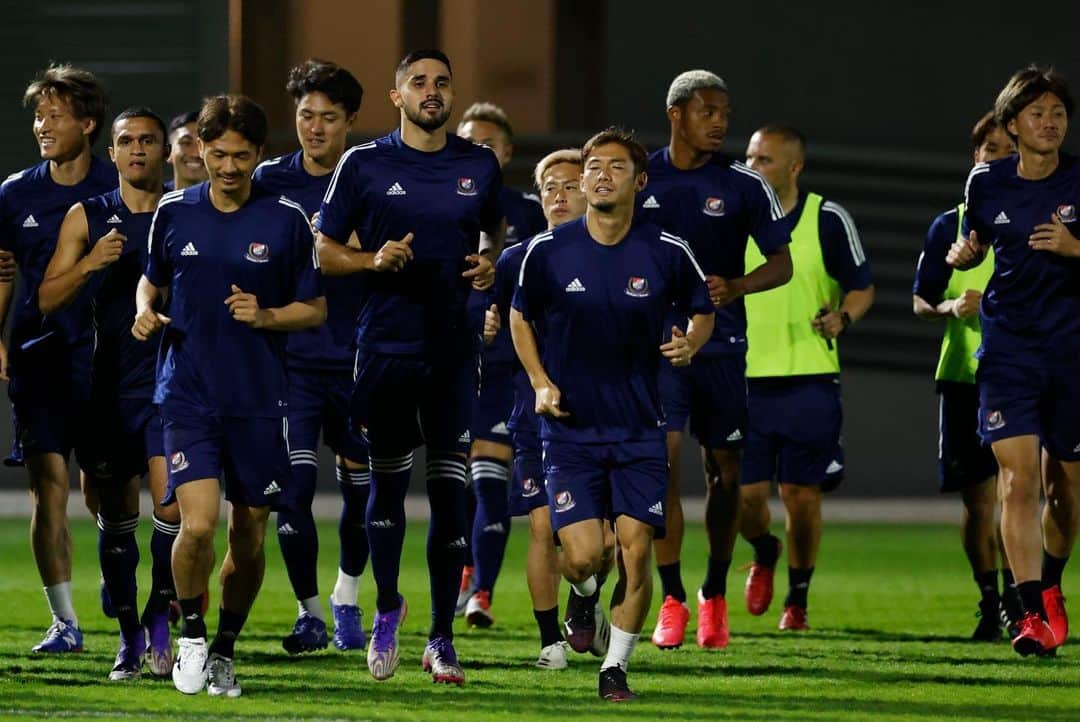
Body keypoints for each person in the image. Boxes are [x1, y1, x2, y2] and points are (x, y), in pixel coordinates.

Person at [316, 49, 503, 685]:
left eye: (442, 82)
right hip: (387, 349)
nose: (432, 91)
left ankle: (441, 638)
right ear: (397, 96)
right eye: (418, 82)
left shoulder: (478, 164)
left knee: (453, 496)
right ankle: (388, 607)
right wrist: (370, 263)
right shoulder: (364, 163)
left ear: (453, 94)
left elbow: (492, 235)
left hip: (452, 350)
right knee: (388, 489)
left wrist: (487, 264)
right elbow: (322, 247)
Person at [511, 128, 714, 701]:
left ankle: (615, 669)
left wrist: (693, 341)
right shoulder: (549, 250)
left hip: (638, 429)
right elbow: (520, 317)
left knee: (636, 546)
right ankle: (583, 598)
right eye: (593, 166)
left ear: (639, 181)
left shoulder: (666, 251)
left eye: (614, 167)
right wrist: (540, 382)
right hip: (570, 430)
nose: (599, 175)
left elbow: (704, 310)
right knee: (580, 557)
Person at [134, 94, 326, 695]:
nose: (229, 167)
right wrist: (143, 311)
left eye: (241, 156)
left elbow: (315, 308)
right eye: (217, 154)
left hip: (260, 402)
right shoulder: (174, 212)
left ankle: (225, 647)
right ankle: (191, 637)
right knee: (195, 527)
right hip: (188, 395)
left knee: (249, 534)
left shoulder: (287, 219)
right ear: (199, 151)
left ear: (259, 154)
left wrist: (266, 315)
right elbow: (151, 281)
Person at [636, 69, 792, 649]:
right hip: (659, 347)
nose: (721, 121)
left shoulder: (744, 185)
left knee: (725, 476)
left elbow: (783, 263)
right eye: (708, 111)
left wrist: (740, 285)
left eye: (725, 111)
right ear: (676, 113)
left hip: (723, 345)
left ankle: (714, 592)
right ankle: (672, 596)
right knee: (662, 462)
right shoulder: (641, 175)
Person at [38, 107, 178, 679]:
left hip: (174, 386)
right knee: (116, 516)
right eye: (127, 142)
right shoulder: (87, 216)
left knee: (174, 510)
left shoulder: (184, 212)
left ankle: (158, 619)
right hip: (109, 388)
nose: (138, 150)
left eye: (149, 140)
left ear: (165, 151)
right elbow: (46, 297)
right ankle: (127, 637)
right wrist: (92, 262)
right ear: (113, 153)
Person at [948, 65, 1080, 656]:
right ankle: (1030, 614)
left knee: (1067, 490)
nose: (1050, 123)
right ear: (1011, 124)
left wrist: (1077, 248)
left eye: (1057, 113)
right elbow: (976, 238)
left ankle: (1051, 586)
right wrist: (967, 248)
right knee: (1015, 481)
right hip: (1008, 351)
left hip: (1072, 352)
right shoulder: (987, 183)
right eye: (1037, 114)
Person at [253, 58, 370, 655]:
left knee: (363, 493)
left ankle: (349, 596)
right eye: (305, 116)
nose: (316, 128)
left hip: (360, 359)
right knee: (292, 490)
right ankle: (311, 614)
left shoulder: (374, 174)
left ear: (351, 120)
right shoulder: (269, 180)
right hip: (292, 361)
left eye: (329, 117)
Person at [737, 125, 874, 630]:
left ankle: (797, 599)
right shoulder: (734, 216)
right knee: (745, 500)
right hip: (744, 378)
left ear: (794, 168)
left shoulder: (828, 218)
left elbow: (862, 286)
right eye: (749, 158)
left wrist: (845, 317)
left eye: (764, 160)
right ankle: (764, 548)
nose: (752, 168)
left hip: (809, 377)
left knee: (801, 496)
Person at [0, 63, 115, 653]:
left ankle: (111, 558)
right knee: (49, 485)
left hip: (107, 360)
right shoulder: (16, 191)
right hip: (38, 356)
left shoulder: (116, 184)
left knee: (102, 489)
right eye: (39, 116)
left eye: (56, 115)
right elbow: (1, 268)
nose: (43, 126)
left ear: (88, 123)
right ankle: (64, 621)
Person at [484, 147, 613, 668]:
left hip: (605, 415)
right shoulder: (517, 260)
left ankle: (584, 602)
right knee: (541, 527)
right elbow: (493, 326)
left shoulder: (619, 252)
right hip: (534, 413)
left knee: (602, 545)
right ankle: (548, 641)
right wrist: (487, 328)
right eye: (549, 188)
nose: (559, 197)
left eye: (569, 186)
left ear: (588, 190)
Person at [913, 111, 1021, 640]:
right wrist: (951, 306)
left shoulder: (1042, 219)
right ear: (975, 159)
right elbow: (920, 301)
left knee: (1019, 493)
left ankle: (1025, 598)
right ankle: (991, 600)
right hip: (963, 376)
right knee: (979, 501)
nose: (997, 159)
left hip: (1023, 371)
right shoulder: (948, 227)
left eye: (1007, 150)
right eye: (989, 150)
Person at [455, 101, 546, 625]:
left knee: (491, 475)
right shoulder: (442, 206)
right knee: (460, 482)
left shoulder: (529, 212)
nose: (480, 151)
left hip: (507, 363)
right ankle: (467, 572)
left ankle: (482, 591)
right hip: (452, 360)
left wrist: (500, 319)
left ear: (508, 153)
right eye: (470, 142)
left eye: (490, 143)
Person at [166, 111, 207, 191]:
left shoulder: (233, 201)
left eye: (203, 144)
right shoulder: (153, 200)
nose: (196, 154)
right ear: (168, 152)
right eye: (186, 143)